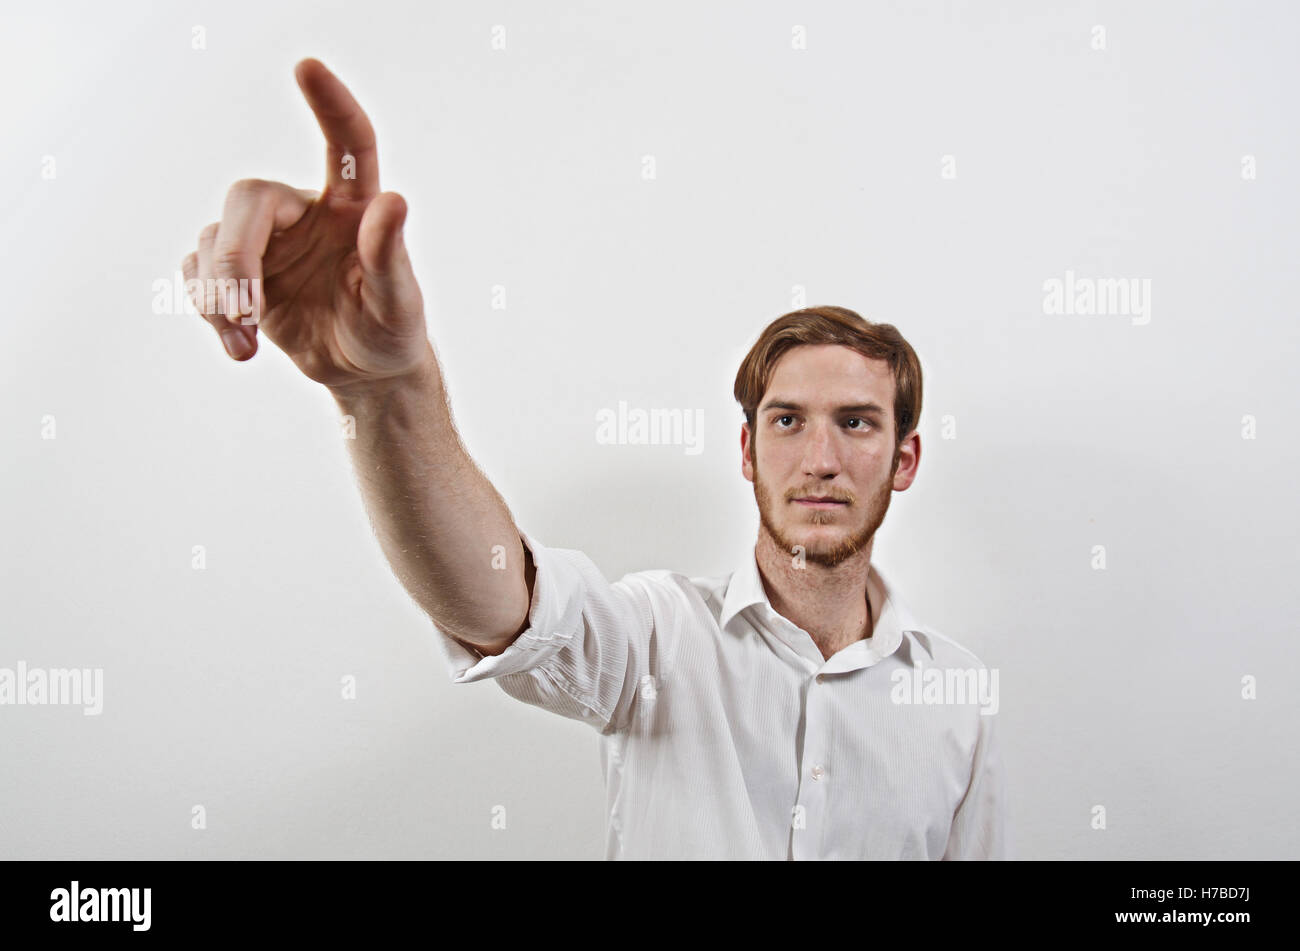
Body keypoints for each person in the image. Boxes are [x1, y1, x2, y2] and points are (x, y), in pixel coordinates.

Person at [182, 58, 1008, 861]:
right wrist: (383, 392)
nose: (821, 458)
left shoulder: (958, 696)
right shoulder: (660, 637)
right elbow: (500, 605)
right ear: (748, 450)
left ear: (904, 458)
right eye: (788, 420)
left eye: (858, 424)